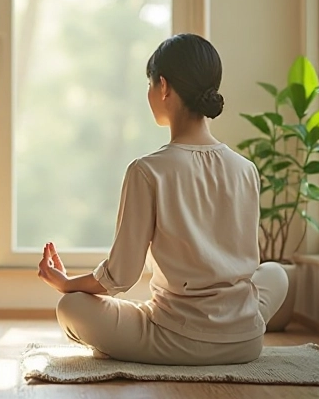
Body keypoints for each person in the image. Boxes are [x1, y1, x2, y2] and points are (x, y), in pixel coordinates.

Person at [36, 33, 288, 366]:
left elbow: (120, 277)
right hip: (245, 341)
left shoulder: (146, 171)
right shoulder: (246, 169)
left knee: (70, 308)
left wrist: (67, 284)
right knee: (276, 274)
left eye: (150, 84)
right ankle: (234, 328)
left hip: (178, 339)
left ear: (164, 87)